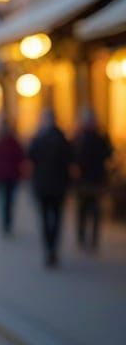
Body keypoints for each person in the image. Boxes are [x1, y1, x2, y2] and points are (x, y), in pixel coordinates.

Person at [25, 106, 74, 268]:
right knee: (57, 217)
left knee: (45, 217)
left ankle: (48, 247)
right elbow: (70, 160)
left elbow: (30, 157)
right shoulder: (62, 138)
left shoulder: (39, 138)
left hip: (43, 185)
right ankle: (53, 247)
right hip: (59, 186)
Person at [71, 107, 114, 252]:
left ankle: (90, 238)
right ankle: (83, 236)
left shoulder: (96, 137)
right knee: (85, 209)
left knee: (92, 209)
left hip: (93, 179)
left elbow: (108, 153)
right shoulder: (82, 137)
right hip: (87, 179)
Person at [0, 116, 25, 236]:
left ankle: (7, 223)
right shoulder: (5, 142)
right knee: (7, 201)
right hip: (8, 177)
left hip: (8, 177)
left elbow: (20, 159)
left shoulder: (3, 142)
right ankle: (7, 223)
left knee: (6, 201)